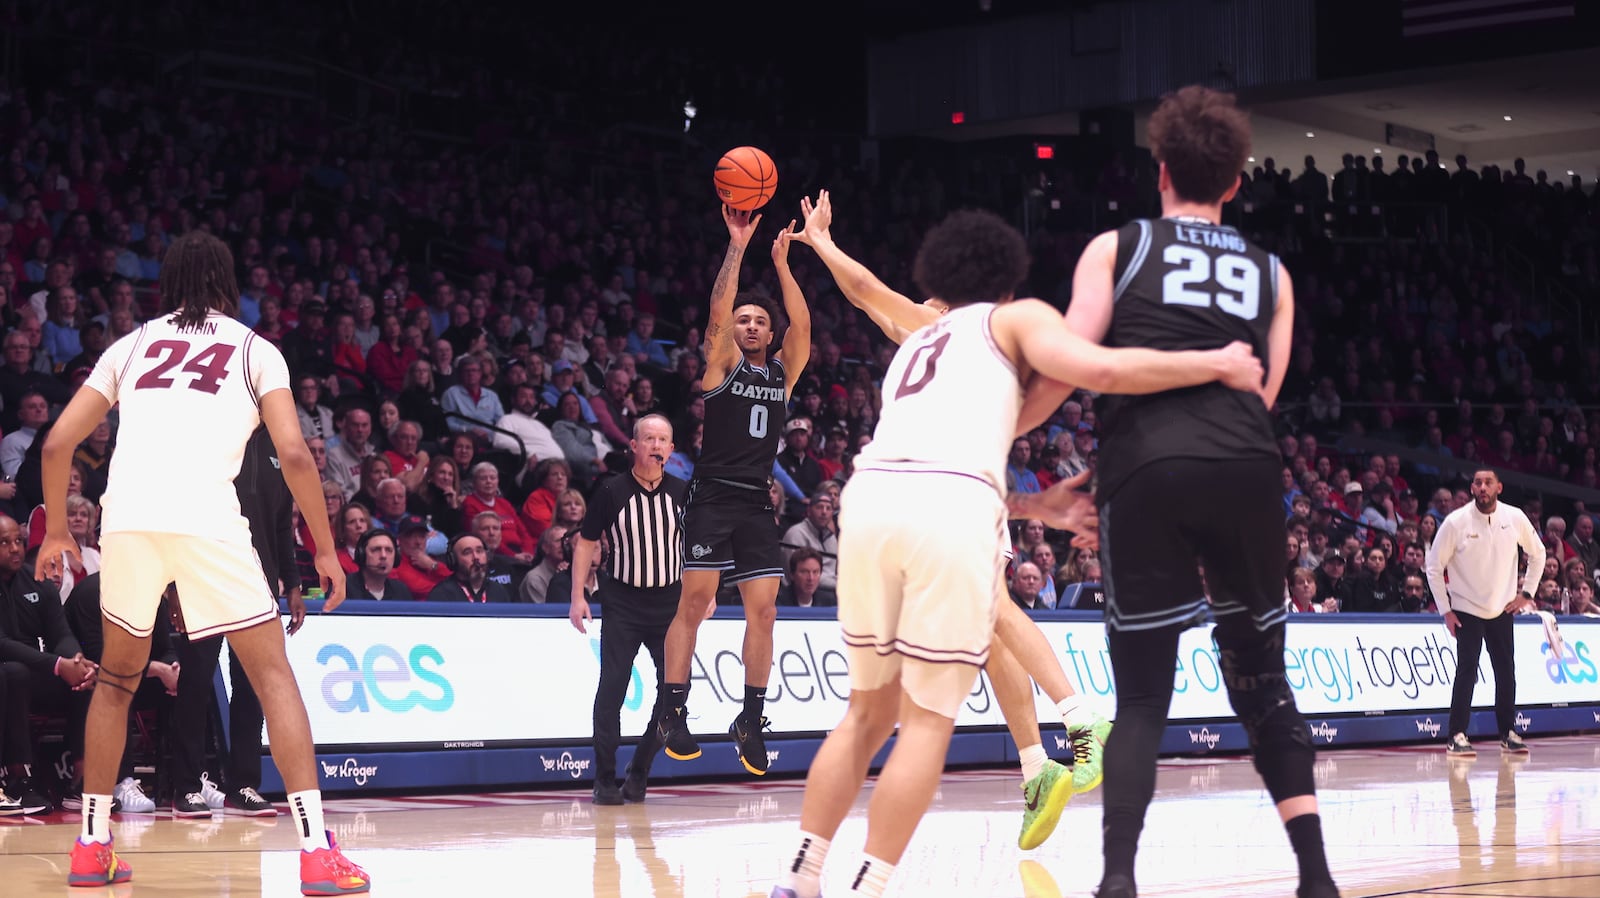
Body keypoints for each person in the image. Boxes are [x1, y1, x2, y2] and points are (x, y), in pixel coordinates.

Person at [767, 198, 1264, 898]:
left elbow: (863, 290)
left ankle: (800, 876)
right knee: (927, 723)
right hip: (952, 502)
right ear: (1007, 280)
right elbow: (1104, 369)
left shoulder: (921, 334)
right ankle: (870, 886)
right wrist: (1211, 362)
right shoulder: (1016, 317)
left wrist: (820, 241)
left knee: (864, 713)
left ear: (939, 278)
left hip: (868, 496)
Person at [1028, 86, 1337, 898]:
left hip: (1146, 471)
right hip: (1245, 464)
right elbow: (1260, 391)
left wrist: (1097, 465)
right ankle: (1315, 876)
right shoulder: (1271, 271)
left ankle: (1120, 880)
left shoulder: (1116, 248)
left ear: (1159, 172)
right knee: (1265, 680)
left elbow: (1070, 357)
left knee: (1140, 698)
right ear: (1236, 182)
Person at [35, 231, 367, 893]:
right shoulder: (252, 348)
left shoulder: (130, 346)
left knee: (117, 682)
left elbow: (57, 442)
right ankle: (314, 852)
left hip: (127, 521)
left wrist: (52, 535)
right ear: (227, 282)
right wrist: (324, 549)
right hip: (206, 523)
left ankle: (91, 846)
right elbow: (297, 456)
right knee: (273, 678)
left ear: (167, 284)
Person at [790, 190, 1119, 851]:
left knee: (993, 609)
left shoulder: (950, 328)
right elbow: (863, 293)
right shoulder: (941, 335)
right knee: (985, 627)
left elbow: (863, 289)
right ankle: (1035, 766)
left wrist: (822, 244)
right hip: (950, 482)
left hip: (947, 483)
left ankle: (1081, 718)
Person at [656, 205, 812, 776]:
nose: (750, 325)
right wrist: (739, 245)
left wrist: (783, 260)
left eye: (759, 322)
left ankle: (750, 717)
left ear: (770, 335)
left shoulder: (781, 374)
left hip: (755, 502)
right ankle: (673, 709)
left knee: (764, 613)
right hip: (712, 496)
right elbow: (719, 310)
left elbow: (805, 325)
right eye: (744, 320)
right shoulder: (721, 368)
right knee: (694, 604)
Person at [171, 425, 307, 818]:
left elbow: (283, 525)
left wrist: (294, 584)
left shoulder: (280, 446)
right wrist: (175, 586)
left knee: (252, 686)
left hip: (255, 581)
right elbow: (182, 517)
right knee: (195, 683)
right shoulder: (210, 433)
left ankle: (243, 784)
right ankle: (188, 784)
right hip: (203, 576)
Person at [570, 414, 686, 805]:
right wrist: (577, 596)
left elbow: (699, 549)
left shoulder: (684, 492)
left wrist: (707, 594)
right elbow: (585, 543)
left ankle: (639, 772)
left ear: (671, 449)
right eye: (648, 438)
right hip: (622, 600)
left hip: (670, 603)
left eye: (663, 439)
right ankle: (604, 779)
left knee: (675, 693)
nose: (655, 445)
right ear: (633, 446)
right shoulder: (611, 491)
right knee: (613, 688)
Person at [1424, 468, 1544, 757]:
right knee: (1466, 672)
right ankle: (1456, 734)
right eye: (1477, 483)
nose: (1482, 487)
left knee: (1506, 672)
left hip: (1502, 607)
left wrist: (1526, 593)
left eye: (1488, 482)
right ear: (1472, 488)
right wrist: (1446, 610)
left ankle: (1508, 732)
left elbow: (1538, 553)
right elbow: (1433, 567)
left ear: (1499, 487)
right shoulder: (1456, 522)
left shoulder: (1514, 517)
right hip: (1466, 609)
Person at [426, 534, 512, 603]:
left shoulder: (498, 590)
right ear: (454, 560)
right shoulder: (442, 593)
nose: (476, 557)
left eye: (479, 551)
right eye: (467, 553)